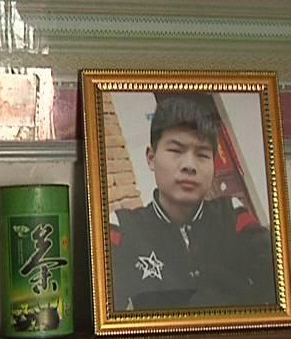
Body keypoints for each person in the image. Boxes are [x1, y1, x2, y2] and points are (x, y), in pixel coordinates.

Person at [110, 94, 276, 311]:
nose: (189, 165)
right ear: (151, 158)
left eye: (202, 155)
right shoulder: (123, 230)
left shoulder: (232, 217)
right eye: (176, 150)